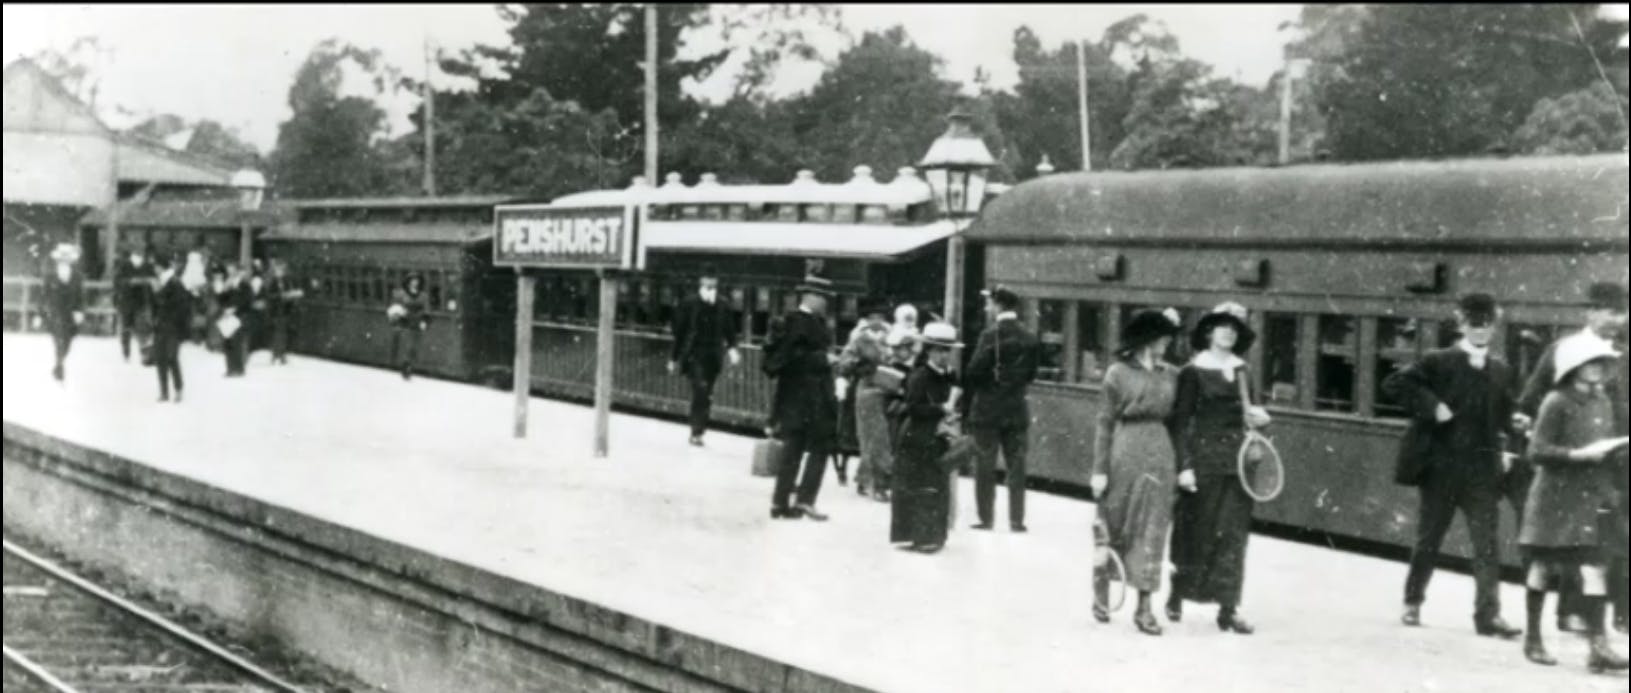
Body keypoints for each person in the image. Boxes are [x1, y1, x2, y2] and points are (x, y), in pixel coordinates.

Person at [1382, 293, 1524, 640]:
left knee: (1487, 546)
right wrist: (1433, 406)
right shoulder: (1438, 360)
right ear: (1461, 324)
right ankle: (1413, 601)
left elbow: (1504, 413)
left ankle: (1488, 616)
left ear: (1494, 327)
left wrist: (1515, 422)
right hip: (1441, 469)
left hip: (1481, 472)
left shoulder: (1501, 370)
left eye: (1486, 324)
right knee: (1429, 539)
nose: (1480, 330)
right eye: (1473, 324)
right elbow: (1396, 383)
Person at [1518, 282, 1629, 634]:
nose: (1619, 319)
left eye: (1622, 312)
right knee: (1572, 541)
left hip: (1614, 459)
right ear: (1591, 311)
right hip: (1569, 462)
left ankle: (1600, 622)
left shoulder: (1622, 354)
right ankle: (1570, 615)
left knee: (1600, 541)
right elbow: (1531, 399)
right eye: (1611, 311)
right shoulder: (1561, 350)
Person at [1167, 301, 1272, 635]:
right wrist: (1183, 466)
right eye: (1221, 326)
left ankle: (1229, 608)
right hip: (1202, 459)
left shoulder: (1244, 370)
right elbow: (1180, 423)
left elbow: (1253, 412)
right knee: (1195, 529)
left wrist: (1263, 418)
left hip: (1238, 463)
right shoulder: (1192, 371)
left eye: (1234, 328)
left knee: (1234, 534)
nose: (1228, 332)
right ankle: (1177, 593)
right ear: (1209, 332)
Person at [1091, 309, 1183, 635]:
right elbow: (1104, 423)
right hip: (1124, 449)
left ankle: (1144, 608)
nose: (1168, 343)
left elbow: (1179, 423)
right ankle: (1102, 593)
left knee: (1153, 529)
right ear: (1147, 340)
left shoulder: (1172, 374)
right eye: (1163, 337)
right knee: (1113, 522)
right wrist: (1099, 470)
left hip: (1160, 453)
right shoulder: (1117, 373)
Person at [762, 272, 839, 521]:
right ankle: (805, 500)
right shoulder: (800, 322)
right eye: (823, 297)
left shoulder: (797, 321)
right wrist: (823, 359)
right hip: (810, 398)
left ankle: (780, 502)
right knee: (821, 445)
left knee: (792, 449)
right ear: (810, 296)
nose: (826, 302)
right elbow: (790, 360)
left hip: (795, 399)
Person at [963, 286, 1040, 533]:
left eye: (989, 304)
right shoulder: (1029, 337)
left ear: (998, 306)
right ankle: (1016, 521)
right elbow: (1031, 374)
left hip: (987, 411)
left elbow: (973, 371)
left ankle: (986, 519)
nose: (987, 308)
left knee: (985, 466)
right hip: (1016, 410)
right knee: (1017, 467)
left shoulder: (990, 336)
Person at [889, 322, 963, 554]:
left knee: (936, 485)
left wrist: (953, 416)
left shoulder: (950, 375)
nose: (944, 355)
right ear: (929, 350)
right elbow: (913, 408)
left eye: (947, 351)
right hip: (917, 438)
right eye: (940, 350)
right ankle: (921, 537)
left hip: (937, 436)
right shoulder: (919, 376)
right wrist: (942, 409)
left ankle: (934, 535)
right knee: (921, 485)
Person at [667, 266, 741, 446]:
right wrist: (674, 358)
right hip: (694, 355)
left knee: (706, 393)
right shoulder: (689, 303)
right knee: (700, 389)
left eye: (713, 280)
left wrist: (732, 349)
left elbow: (729, 330)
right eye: (707, 280)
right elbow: (681, 333)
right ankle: (696, 431)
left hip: (713, 356)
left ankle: (699, 429)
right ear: (701, 282)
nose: (710, 283)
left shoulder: (723, 304)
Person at [839, 297, 896, 501]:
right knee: (873, 439)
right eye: (873, 317)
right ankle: (877, 485)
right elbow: (844, 363)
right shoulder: (859, 339)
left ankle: (865, 479)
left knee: (883, 439)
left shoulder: (892, 336)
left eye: (880, 317)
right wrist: (858, 364)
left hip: (889, 390)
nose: (877, 320)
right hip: (868, 391)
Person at [151, 256, 193, 403]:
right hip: (161, 325)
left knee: (171, 357)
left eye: (156, 266)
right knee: (160, 358)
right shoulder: (161, 282)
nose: (154, 269)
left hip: (173, 326)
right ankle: (164, 391)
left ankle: (178, 389)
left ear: (161, 267)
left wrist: (158, 293)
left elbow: (178, 305)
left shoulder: (174, 283)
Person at [41, 243, 85, 382]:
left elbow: (81, 296)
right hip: (55, 311)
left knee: (68, 341)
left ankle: (59, 363)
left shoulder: (77, 276)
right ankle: (60, 367)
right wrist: (40, 312)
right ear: (58, 259)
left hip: (71, 313)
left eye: (67, 258)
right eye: (62, 258)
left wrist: (80, 311)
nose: (64, 260)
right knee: (58, 339)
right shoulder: (50, 275)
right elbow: (44, 295)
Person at [112, 246, 157, 363]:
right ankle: (126, 350)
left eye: (141, 252)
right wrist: (130, 282)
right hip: (127, 301)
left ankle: (144, 354)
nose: (139, 254)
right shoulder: (124, 265)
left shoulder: (147, 265)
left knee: (143, 328)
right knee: (126, 327)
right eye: (137, 252)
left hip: (142, 300)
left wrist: (149, 282)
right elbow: (117, 281)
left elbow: (154, 280)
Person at [388, 273, 430, 380]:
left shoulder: (423, 295)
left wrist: (424, 320)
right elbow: (395, 307)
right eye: (412, 280)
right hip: (405, 322)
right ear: (408, 282)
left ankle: (411, 365)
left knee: (414, 346)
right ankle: (405, 368)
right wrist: (399, 314)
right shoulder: (401, 294)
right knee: (406, 346)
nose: (415, 283)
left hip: (417, 322)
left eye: (416, 281)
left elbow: (426, 309)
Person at [214, 264, 252, 377]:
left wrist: (235, 308)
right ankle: (230, 368)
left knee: (236, 342)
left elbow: (247, 300)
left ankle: (239, 368)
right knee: (227, 342)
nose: (231, 274)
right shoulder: (228, 285)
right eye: (229, 271)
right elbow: (221, 300)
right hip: (228, 317)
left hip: (239, 316)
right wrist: (221, 291)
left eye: (233, 272)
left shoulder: (245, 285)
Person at [264, 259, 303, 365]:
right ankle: (275, 354)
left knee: (283, 333)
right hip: (275, 311)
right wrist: (281, 296)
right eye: (278, 270)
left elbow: (290, 292)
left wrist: (292, 295)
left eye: (281, 270)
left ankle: (282, 354)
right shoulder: (272, 282)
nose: (280, 272)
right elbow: (269, 296)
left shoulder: (287, 281)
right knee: (276, 334)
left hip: (285, 310)